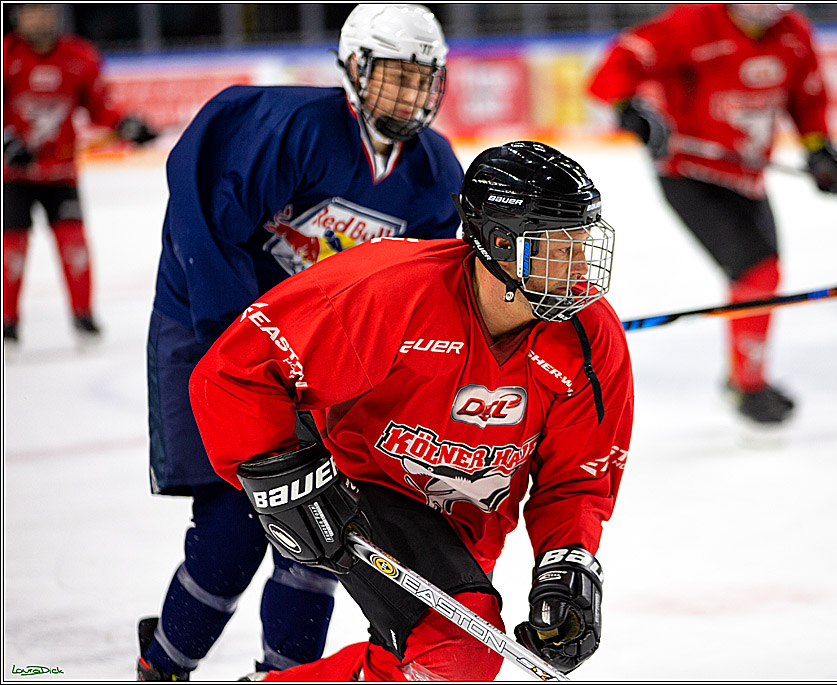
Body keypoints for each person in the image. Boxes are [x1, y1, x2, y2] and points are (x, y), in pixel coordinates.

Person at [187, 140, 634, 681]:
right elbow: (238, 369)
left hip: (467, 522)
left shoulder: (589, 338)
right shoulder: (388, 292)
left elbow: (578, 478)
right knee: (458, 652)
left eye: (582, 244)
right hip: (362, 487)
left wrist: (568, 560)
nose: (580, 266)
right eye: (557, 248)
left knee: (411, 664)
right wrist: (279, 476)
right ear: (499, 242)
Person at [139, 4, 464, 680]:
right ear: (354, 69)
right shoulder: (289, 129)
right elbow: (205, 226)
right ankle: (162, 665)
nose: (411, 95)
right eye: (396, 77)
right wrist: (243, 351)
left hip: (314, 363)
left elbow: (419, 297)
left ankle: (283, 676)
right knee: (231, 529)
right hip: (215, 337)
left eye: (422, 79)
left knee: (315, 532)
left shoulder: (433, 170)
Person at [587, 3, 837, 425]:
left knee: (762, 278)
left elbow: (807, 97)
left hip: (747, 176)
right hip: (689, 172)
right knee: (759, 273)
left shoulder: (793, 33)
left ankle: (746, 380)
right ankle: (748, 386)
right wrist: (629, 108)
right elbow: (618, 64)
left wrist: (819, 149)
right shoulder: (691, 23)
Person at [3, 3, 157, 349]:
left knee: (75, 246)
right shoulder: (6, 55)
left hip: (60, 175)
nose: (39, 18)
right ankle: (7, 324)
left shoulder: (79, 56)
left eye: (45, 11)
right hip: (13, 177)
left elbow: (99, 105)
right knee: (11, 250)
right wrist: (7, 141)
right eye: (31, 12)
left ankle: (83, 317)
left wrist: (125, 124)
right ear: (18, 17)